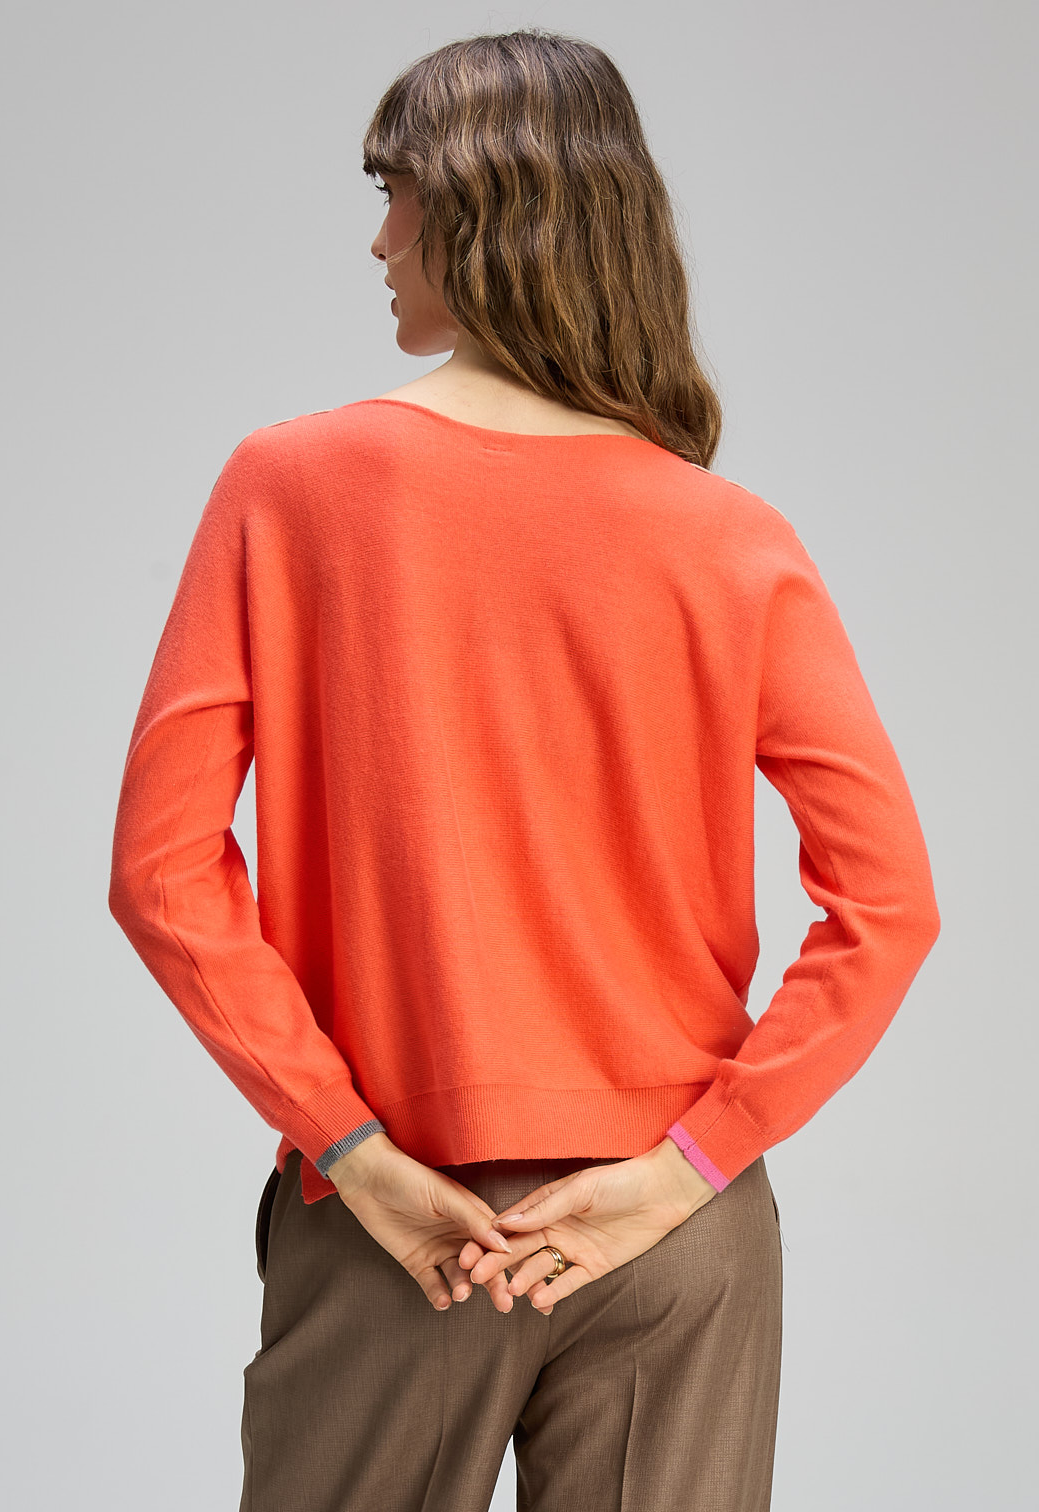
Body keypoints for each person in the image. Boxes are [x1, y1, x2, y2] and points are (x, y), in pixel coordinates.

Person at [107, 27, 941, 1512]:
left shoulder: (285, 489)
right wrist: (693, 1166)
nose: (378, 241)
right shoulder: (731, 539)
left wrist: (349, 1150)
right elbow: (892, 907)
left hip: (401, 1222)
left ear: (481, 208)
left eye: (397, 196)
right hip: (670, 1224)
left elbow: (161, 874)